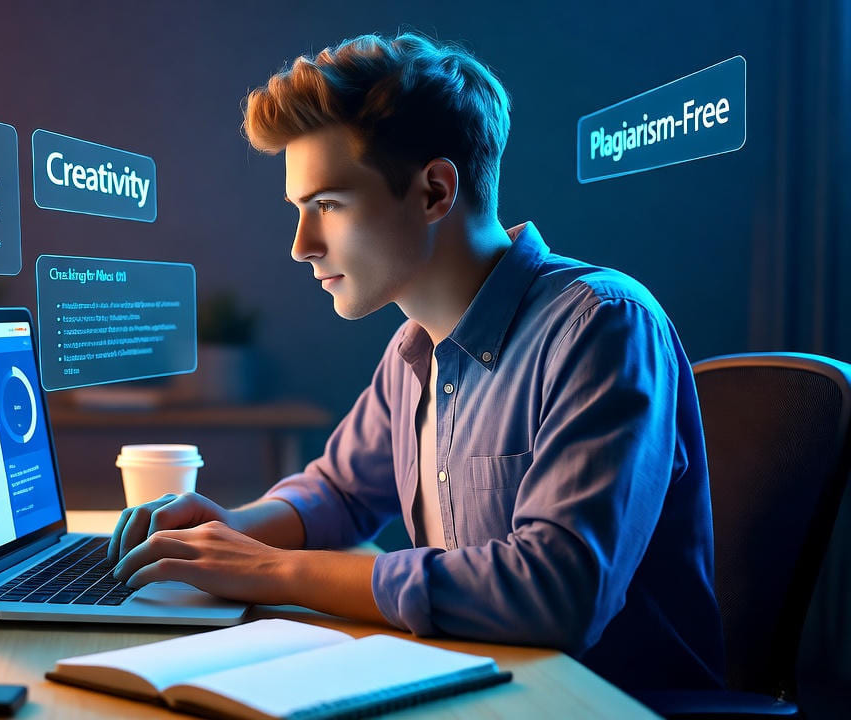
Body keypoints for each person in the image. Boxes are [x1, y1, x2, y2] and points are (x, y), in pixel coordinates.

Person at [106, 32, 724, 693]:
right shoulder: (414, 345)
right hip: (484, 684)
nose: (301, 246)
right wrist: (229, 529)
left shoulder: (601, 326)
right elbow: (339, 492)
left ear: (434, 191)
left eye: (328, 206)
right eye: (298, 211)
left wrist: (265, 570)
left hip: (602, 704)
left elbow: (555, 595)